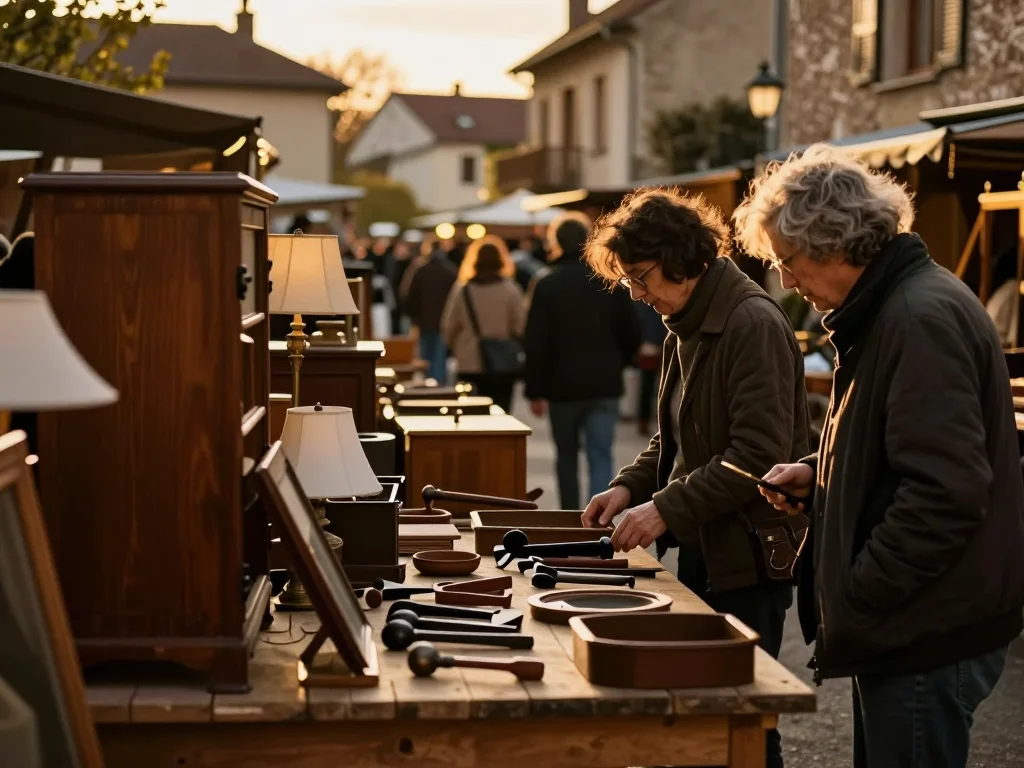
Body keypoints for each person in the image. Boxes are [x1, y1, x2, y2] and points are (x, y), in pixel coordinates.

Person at [734, 144, 1024, 768]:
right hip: (916, 621)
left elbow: (945, 494)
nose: (785, 281)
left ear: (835, 243)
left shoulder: (916, 318)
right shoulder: (894, 308)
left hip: (924, 625)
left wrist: (864, 589)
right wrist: (822, 475)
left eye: (789, 262)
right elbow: (906, 450)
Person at [581, 188, 811, 768]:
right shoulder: (686, 315)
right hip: (708, 539)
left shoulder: (750, 322)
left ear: (681, 255)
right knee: (704, 717)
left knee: (741, 721)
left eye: (641, 277)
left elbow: (756, 454)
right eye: (628, 281)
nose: (637, 294)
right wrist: (630, 486)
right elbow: (680, 437)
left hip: (750, 553)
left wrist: (664, 510)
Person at [523, 213, 641, 510]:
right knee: (601, 454)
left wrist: (534, 390)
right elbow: (631, 329)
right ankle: (598, 518)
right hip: (604, 382)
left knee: (566, 456)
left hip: (561, 386)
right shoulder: (608, 281)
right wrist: (621, 361)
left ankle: (571, 517)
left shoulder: (546, 284)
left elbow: (535, 341)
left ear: (555, 242)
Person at [440, 235, 526, 412]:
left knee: (471, 416)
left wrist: (457, 347)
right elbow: (521, 326)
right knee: (501, 414)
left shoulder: (462, 290)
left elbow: (448, 326)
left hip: (469, 361)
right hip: (502, 364)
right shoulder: (510, 289)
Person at [402, 237, 458, 382]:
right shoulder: (450, 271)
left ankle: (427, 382)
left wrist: (413, 316)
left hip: (424, 320)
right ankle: (438, 384)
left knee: (426, 354)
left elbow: (409, 295)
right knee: (439, 355)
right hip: (442, 320)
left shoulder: (420, 270)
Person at [634, 301, 666, 435]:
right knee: (650, 386)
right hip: (652, 343)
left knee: (653, 386)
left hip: (652, 342)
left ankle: (647, 421)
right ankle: (645, 421)